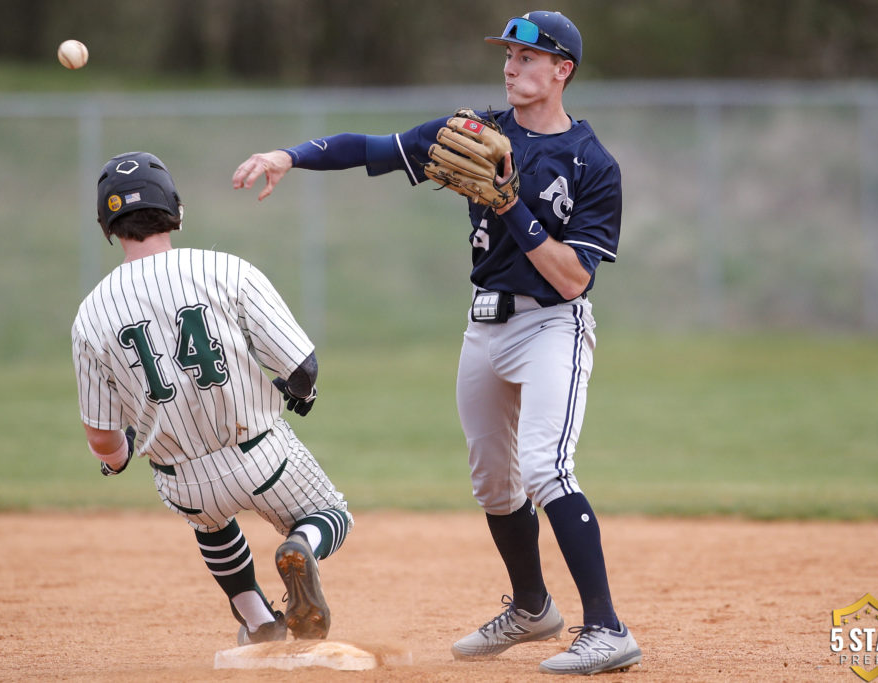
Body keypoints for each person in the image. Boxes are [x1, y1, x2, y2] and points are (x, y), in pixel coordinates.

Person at [231, 10, 642, 676]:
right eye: (508, 56)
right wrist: (290, 156)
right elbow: (372, 148)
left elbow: (572, 279)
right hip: (483, 325)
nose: (512, 67)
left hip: (550, 326)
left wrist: (511, 205)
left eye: (529, 59)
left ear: (563, 70)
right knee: (492, 481)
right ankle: (533, 607)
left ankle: (608, 627)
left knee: (545, 467)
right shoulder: (472, 133)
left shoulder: (592, 164)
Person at [72, 150, 352, 646]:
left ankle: (258, 621)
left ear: (107, 225)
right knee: (329, 515)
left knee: (212, 527)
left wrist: (115, 462)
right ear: (176, 211)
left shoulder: (91, 314)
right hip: (261, 456)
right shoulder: (226, 270)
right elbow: (301, 366)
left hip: (184, 480)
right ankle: (300, 545)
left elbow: (102, 435)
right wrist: (298, 392)